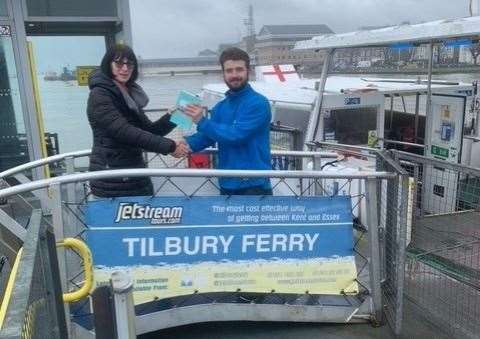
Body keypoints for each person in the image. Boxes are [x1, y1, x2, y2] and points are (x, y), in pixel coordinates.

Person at [86, 44, 188, 198]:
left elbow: (149, 130)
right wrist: (171, 146)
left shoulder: (127, 93)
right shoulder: (99, 94)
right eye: (119, 63)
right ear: (108, 65)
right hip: (112, 178)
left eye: (130, 64)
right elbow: (123, 131)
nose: (125, 68)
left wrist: (177, 114)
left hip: (134, 175)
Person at [182, 47, 272, 195]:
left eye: (239, 69)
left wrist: (202, 121)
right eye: (229, 71)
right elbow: (207, 136)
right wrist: (182, 145)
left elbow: (236, 135)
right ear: (223, 74)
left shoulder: (259, 103)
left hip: (254, 185)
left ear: (248, 71)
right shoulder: (220, 107)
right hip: (226, 183)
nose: (234, 75)